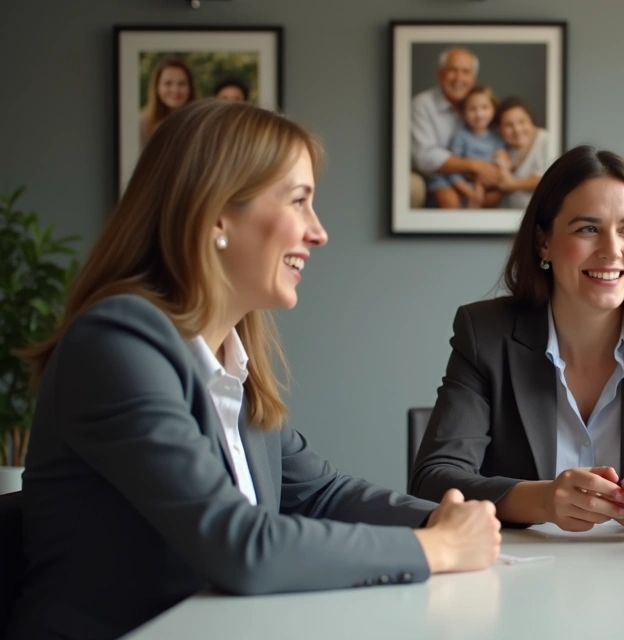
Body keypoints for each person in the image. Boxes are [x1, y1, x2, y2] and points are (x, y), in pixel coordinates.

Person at [7, 100, 501, 640]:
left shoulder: (230, 358)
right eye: (299, 202)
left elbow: (322, 494)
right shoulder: (116, 343)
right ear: (216, 213)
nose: (319, 233)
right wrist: (438, 547)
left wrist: (444, 518)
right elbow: (241, 546)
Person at [411, 145, 624, 531]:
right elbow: (432, 481)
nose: (612, 250)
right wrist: (542, 500)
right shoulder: (485, 334)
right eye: (588, 229)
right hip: (518, 574)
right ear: (544, 242)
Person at [410, 47, 501, 207]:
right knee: (450, 202)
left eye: (466, 72)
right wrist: (476, 166)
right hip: (439, 179)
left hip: (478, 180)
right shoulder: (422, 105)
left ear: (473, 77)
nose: (459, 78)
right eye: (452, 70)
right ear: (440, 74)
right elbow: (424, 157)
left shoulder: (480, 105)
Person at [429, 86, 505, 209]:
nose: (479, 114)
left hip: (487, 186)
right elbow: (453, 170)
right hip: (461, 184)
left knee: (495, 197)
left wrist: (485, 183)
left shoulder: (498, 137)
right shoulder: (460, 136)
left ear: (494, 109)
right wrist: (468, 191)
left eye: (484, 108)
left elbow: (502, 162)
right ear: (463, 112)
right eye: (472, 109)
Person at [493, 97, 557, 210]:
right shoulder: (502, 148)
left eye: (522, 122)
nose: (517, 129)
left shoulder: (547, 140)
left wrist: (511, 184)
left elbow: (549, 181)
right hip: (507, 217)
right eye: (508, 125)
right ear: (499, 129)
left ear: (530, 120)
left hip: (539, 218)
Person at [139, 58, 196, 148]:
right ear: (157, 87)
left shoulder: (202, 123)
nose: (175, 90)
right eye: (168, 83)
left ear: (190, 87)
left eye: (181, 84)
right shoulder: (142, 125)